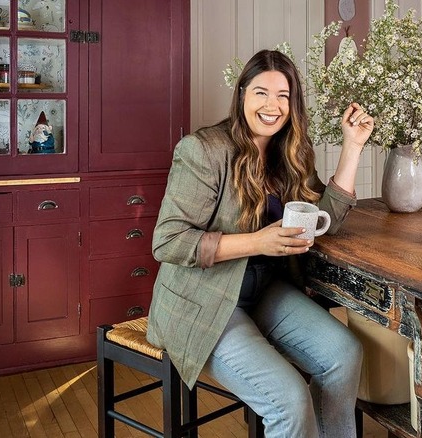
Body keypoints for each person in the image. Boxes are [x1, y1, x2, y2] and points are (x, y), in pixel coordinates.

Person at [146, 49, 374, 438]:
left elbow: (326, 221)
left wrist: (352, 146)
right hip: (202, 303)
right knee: (289, 399)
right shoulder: (204, 150)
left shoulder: (290, 155)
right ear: (242, 97)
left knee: (344, 354)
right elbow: (168, 241)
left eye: (283, 95)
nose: (273, 105)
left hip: (262, 292)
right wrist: (257, 242)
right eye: (261, 93)